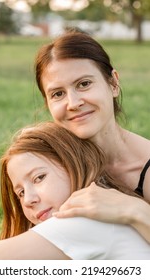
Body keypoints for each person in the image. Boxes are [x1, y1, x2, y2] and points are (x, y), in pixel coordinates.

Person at [34, 29, 150, 243]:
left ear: (113, 83)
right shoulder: (47, 166)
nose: (73, 103)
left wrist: (135, 210)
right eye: (58, 94)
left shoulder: (145, 169)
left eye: (84, 84)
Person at [0, 122, 150, 260]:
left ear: (72, 164)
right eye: (20, 193)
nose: (28, 199)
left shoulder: (85, 221)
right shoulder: (106, 209)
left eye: (39, 178)